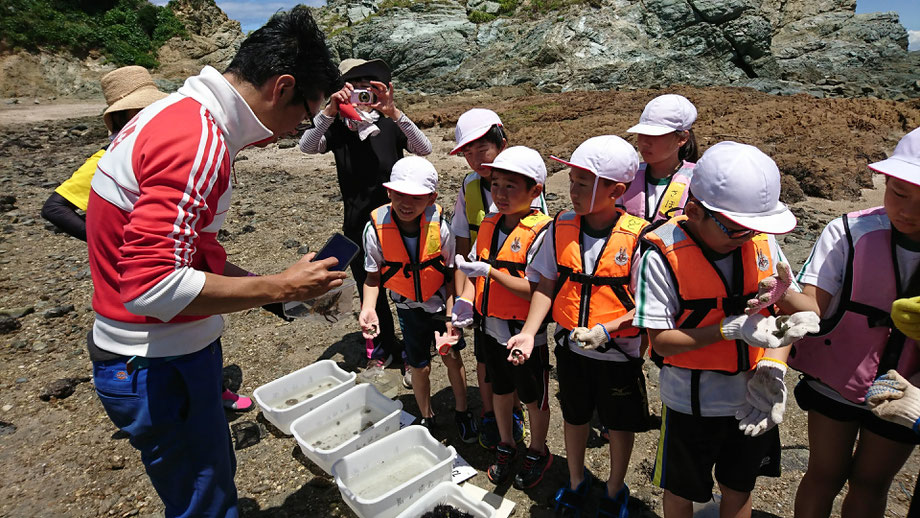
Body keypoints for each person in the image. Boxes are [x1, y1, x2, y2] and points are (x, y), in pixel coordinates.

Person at [85, 8, 346, 517]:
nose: (297, 130)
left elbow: (192, 257)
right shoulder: (196, 140)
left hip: (162, 352)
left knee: (208, 480)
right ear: (281, 87)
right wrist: (280, 288)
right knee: (203, 499)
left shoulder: (178, 116)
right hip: (154, 361)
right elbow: (151, 286)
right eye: (304, 114)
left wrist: (283, 292)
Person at [41, 66, 257, 412]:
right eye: (142, 110)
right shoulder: (108, 158)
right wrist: (110, 239)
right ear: (123, 117)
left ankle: (211, 389)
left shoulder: (163, 148)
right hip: (146, 334)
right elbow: (55, 206)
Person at [633, 141, 820, 518]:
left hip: (753, 396)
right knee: (681, 489)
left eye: (754, 229)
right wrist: (728, 329)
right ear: (695, 211)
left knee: (739, 487)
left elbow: (804, 312)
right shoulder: (660, 255)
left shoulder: (758, 239)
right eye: (736, 230)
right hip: (691, 402)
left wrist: (775, 361)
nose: (747, 238)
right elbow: (662, 343)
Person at [505, 136, 651, 517]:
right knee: (574, 416)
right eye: (571, 181)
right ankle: (575, 481)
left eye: (583, 184)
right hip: (570, 347)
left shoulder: (640, 238)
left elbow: (652, 307)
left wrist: (609, 330)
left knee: (619, 424)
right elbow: (547, 286)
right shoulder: (560, 228)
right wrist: (528, 329)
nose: (572, 190)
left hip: (619, 353)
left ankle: (616, 488)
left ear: (616, 191)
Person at [789, 126, 920, 518]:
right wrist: (779, 292)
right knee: (824, 473)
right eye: (899, 193)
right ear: (885, 181)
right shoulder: (848, 232)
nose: (909, 211)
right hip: (836, 379)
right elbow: (812, 306)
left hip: (906, 391)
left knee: (871, 482)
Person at [299, 58, 431, 388]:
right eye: (355, 86)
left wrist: (394, 112)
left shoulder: (389, 123)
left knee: (406, 285)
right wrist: (329, 112)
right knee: (368, 285)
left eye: (369, 86)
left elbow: (424, 148)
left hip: (400, 220)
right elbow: (306, 147)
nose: (363, 93)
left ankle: (416, 350)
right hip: (358, 223)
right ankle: (385, 345)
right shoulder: (339, 129)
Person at [452, 146, 553, 489]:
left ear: (535, 190)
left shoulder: (542, 232)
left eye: (511, 186)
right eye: (496, 185)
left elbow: (536, 291)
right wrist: (465, 301)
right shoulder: (489, 223)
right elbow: (475, 273)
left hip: (524, 332)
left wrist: (492, 272)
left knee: (532, 395)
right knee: (499, 388)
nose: (500, 194)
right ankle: (506, 444)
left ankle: (538, 449)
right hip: (490, 326)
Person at [358, 156, 477, 441]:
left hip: (439, 303)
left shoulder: (442, 228)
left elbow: (451, 277)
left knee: (451, 356)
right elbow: (373, 278)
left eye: (416, 197)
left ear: (432, 198)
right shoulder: (374, 229)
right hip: (408, 306)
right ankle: (427, 416)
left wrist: (450, 317)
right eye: (399, 194)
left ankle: (462, 411)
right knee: (419, 366)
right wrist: (368, 308)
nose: (406, 203)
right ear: (389, 192)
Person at [619, 94, 699, 226]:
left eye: (655, 135)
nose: (645, 142)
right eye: (642, 133)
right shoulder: (627, 176)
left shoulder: (696, 182)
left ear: (682, 139)